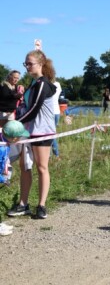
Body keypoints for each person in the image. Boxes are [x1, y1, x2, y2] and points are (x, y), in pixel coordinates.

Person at [8, 49, 57, 219]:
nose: (27, 66)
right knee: (24, 167)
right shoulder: (33, 83)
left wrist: (14, 124)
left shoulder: (44, 83)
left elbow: (34, 109)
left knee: (42, 167)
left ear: (41, 64)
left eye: (30, 63)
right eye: (25, 64)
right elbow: (26, 106)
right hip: (27, 132)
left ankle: (41, 205)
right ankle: (23, 204)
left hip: (42, 131)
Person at [50, 80, 62, 158]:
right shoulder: (58, 84)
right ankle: (55, 154)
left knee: (49, 134)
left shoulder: (45, 84)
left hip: (49, 112)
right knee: (52, 134)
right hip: (57, 112)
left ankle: (52, 154)